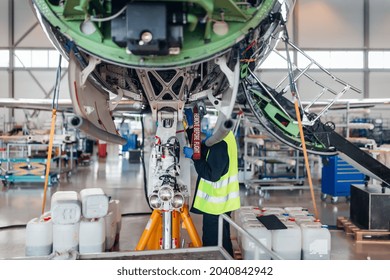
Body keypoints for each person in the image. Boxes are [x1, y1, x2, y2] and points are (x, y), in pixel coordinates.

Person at [183, 108, 240, 257]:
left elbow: (211, 174)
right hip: (222, 202)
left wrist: (195, 158)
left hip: (216, 204)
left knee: (214, 244)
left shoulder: (221, 144)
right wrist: (191, 129)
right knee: (222, 240)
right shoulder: (227, 138)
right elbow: (204, 147)